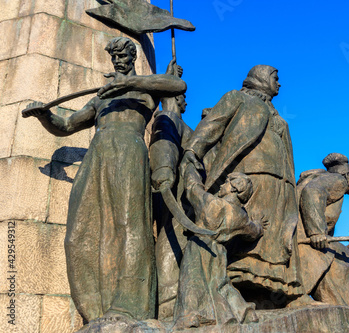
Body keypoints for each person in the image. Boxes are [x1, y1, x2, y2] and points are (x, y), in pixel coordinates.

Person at [23, 37, 186, 322]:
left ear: (133, 58)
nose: (118, 62)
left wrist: (132, 84)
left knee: (130, 225)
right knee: (78, 233)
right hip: (97, 155)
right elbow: (67, 125)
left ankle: (131, 307)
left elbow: (178, 86)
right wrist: (45, 116)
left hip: (128, 151)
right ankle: (94, 310)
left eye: (123, 57)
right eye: (114, 58)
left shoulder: (145, 89)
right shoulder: (102, 96)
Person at [180, 65, 303, 302]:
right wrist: (193, 151)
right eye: (276, 78)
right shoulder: (237, 98)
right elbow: (211, 125)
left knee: (277, 238)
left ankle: (276, 291)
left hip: (280, 183)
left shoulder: (276, 113)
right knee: (250, 241)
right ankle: (240, 288)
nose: (279, 84)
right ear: (262, 78)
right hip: (250, 176)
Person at [173, 169, 263, 329]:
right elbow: (253, 232)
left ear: (235, 188)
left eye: (226, 182)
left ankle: (191, 315)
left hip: (199, 246)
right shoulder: (240, 216)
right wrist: (259, 226)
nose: (222, 185)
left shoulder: (211, 202)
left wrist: (189, 168)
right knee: (220, 284)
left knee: (192, 280)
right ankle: (243, 312)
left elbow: (193, 188)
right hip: (219, 252)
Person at [149, 62, 196, 320]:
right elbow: (163, 143)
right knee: (171, 245)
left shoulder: (178, 120)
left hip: (185, 199)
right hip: (174, 196)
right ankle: (167, 309)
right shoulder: (169, 118)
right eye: (182, 96)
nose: (186, 101)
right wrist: (164, 171)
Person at [296, 153, 349, 306]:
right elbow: (313, 192)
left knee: (343, 252)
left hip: (302, 237)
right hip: (303, 241)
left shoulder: (316, 179)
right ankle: (343, 310)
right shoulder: (338, 180)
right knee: (342, 258)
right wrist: (316, 232)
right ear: (346, 174)